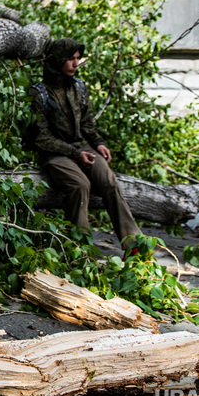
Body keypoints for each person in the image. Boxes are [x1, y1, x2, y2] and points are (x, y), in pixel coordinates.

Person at [29, 38, 142, 258]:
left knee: (109, 182)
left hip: (82, 147)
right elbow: (41, 138)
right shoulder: (39, 93)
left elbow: (87, 124)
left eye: (78, 58)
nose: (76, 63)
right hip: (54, 154)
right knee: (80, 185)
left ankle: (135, 246)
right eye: (71, 59)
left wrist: (98, 143)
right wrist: (75, 154)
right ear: (58, 59)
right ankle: (80, 251)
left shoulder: (78, 87)